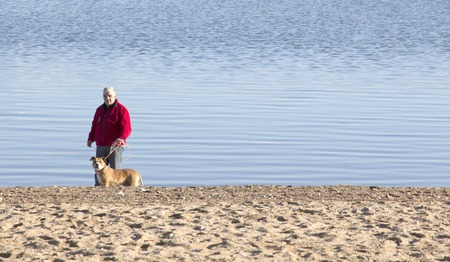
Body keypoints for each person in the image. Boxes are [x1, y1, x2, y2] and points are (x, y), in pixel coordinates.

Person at [87, 87, 132, 186]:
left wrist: (121, 138)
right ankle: (98, 188)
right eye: (105, 96)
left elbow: (127, 128)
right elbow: (94, 125)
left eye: (109, 96)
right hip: (101, 145)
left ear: (115, 96)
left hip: (115, 147)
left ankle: (115, 192)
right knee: (98, 169)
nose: (107, 98)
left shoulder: (122, 110)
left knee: (115, 172)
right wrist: (90, 138)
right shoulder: (99, 110)